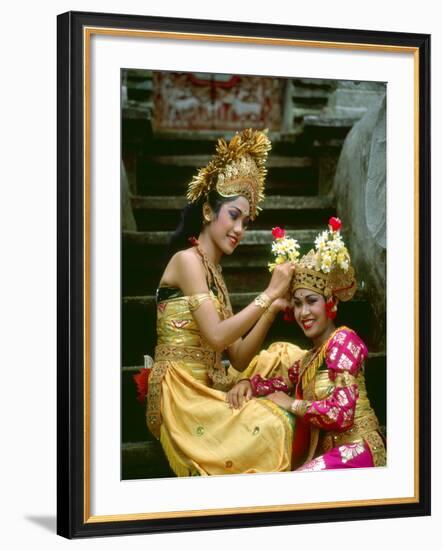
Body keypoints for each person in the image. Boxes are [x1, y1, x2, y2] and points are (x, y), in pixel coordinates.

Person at [145, 128, 304, 476]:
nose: (239, 229)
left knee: (286, 356)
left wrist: (273, 307)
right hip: (183, 392)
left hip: (213, 379)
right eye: (233, 215)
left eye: (246, 222)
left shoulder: (214, 273)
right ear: (208, 211)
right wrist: (268, 293)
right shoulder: (187, 261)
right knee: (273, 424)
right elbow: (217, 337)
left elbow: (239, 355)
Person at [227, 217, 386, 471]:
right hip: (332, 456)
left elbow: (342, 413)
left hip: (359, 450)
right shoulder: (309, 360)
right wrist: (248, 383)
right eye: (298, 303)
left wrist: (292, 404)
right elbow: (278, 384)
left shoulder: (344, 341)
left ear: (330, 303)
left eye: (312, 301)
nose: (303, 312)